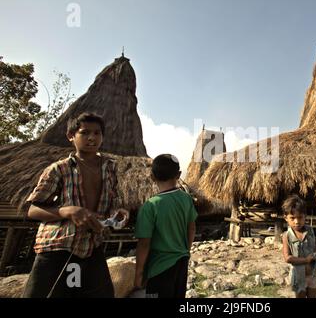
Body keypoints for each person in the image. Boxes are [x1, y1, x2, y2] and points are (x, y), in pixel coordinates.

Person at [22, 112, 129, 298]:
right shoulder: (59, 169)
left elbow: (112, 202)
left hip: (91, 245)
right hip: (58, 246)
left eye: (97, 133)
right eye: (84, 132)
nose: (92, 138)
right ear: (71, 136)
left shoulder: (110, 169)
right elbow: (32, 210)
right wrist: (66, 211)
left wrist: (117, 212)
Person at [134, 154, 197, 298]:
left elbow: (144, 243)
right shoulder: (186, 199)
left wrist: (139, 273)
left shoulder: (150, 206)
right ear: (179, 175)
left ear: (152, 176)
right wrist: (185, 250)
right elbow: (192, 228)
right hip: (181, 263)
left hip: (159, 267)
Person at [281, 195, 316, 298]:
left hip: (312, 275)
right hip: (298, 276)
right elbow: (287, 258)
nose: (296, 221)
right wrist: (306, 260)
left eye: (300, 217)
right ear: (286, 218)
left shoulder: (310, 231)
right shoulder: (286, 236)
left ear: (305, 216)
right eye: (292, 218)